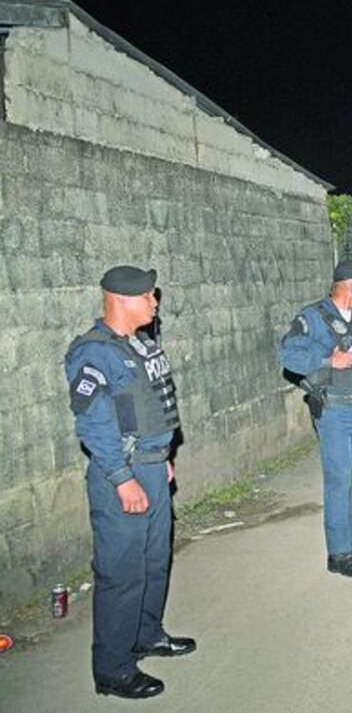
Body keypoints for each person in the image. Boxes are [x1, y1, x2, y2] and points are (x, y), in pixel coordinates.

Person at [64, 265, 195, 699]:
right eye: (147, 296)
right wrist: (123, 477)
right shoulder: (93, 352)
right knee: (121, 572)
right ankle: (114, 669)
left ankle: (146, 635)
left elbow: (149, 408)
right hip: (122, 472)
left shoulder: (140, 344)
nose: (155, 302)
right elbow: (94, 423)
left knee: (154, 561)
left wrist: (162, 458)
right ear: (120, 300)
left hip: (153, 467)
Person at [278, 260, 352, 578]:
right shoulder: (313, 316)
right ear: (350, 286)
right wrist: (327, 361)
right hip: (334, 411)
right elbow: (288, 355)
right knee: (340, 478)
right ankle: (338, 552)